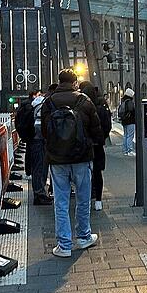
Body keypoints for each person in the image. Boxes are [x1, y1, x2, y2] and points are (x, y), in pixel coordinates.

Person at [41, 69, 104, 257]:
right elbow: (96, 129)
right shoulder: (84, 101)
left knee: (61, 202)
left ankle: (64, 245)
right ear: (75, 82)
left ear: (59, 81)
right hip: (81, 158)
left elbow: (45, 130)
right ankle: (84, 237)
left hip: (58, 159)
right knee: (83, 198)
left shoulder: (49, 102)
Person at [80, 81, 112, 211]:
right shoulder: (102, 107)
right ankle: (98, 200)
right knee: (98, 173)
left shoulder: (82, 107)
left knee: (84, 173)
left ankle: (86, 199)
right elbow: (108, 126)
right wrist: (101, 138)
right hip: (98, 145)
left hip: (85, 146)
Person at [28, 90, 54, 205]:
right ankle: (40, 194)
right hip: (40, 138)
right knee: (41, 167)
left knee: (37, 167)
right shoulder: (46, 104)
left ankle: (40, 193)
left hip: (34, 138)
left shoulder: (35, 104)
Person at [118, 88, 136, 156]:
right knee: (130, 135)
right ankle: (129, 150)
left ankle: (125, 150)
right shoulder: (130, 102)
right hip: (130, 121)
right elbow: (132, 110)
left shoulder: (123, 101)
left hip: (124, 121)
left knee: (125, 135)